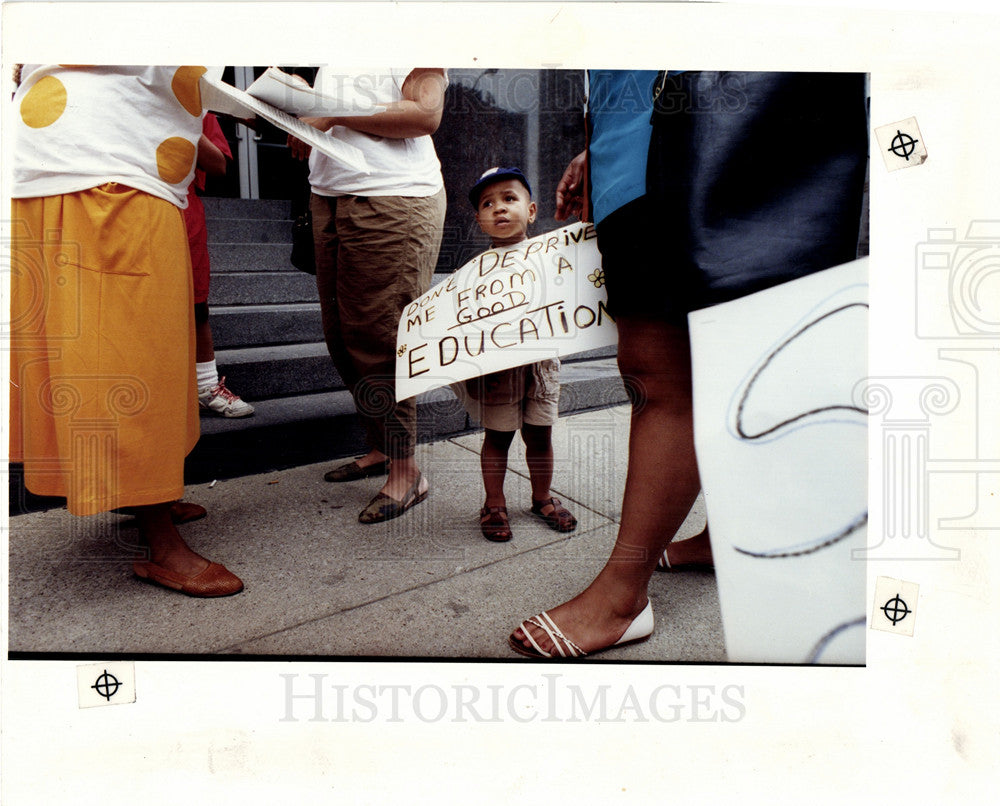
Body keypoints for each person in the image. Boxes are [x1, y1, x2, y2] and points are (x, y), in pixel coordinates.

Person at [509, 70, 867, 658]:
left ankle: (623, 595)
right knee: (673, 369)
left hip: (733, 126)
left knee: (679, 372)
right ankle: (727, 534)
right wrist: (602, 140)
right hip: (642, 142)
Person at [9, 65, 243, 597]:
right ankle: (159, 539)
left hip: (107, 162)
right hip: (103, 167)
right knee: (129, 359)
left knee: (149, 353)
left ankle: (144, 491)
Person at [288, 68, 447, 523]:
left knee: (381, 340)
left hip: (392, 195)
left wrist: (329, 111)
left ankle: (406, 471)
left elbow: (425, 113)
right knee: (341, 338)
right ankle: (381, 447)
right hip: (330, 192)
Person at [453, 167, 577, 542]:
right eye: (488, 204)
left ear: (533, 209)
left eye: (509, 198)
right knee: (498, 437)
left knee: (540, 435)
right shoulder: (473, 272)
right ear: (478, 220)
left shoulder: (553, 257)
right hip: (498, 368)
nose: (499, 209)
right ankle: (494, 503)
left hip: (540, 364)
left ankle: (542, 498)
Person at [185, 112, 255, 418]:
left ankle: (206, 386)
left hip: (181, 205)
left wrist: (176, 120)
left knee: (197, 305)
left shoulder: (194, 104)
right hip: (122, 199)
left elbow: (218, 163)